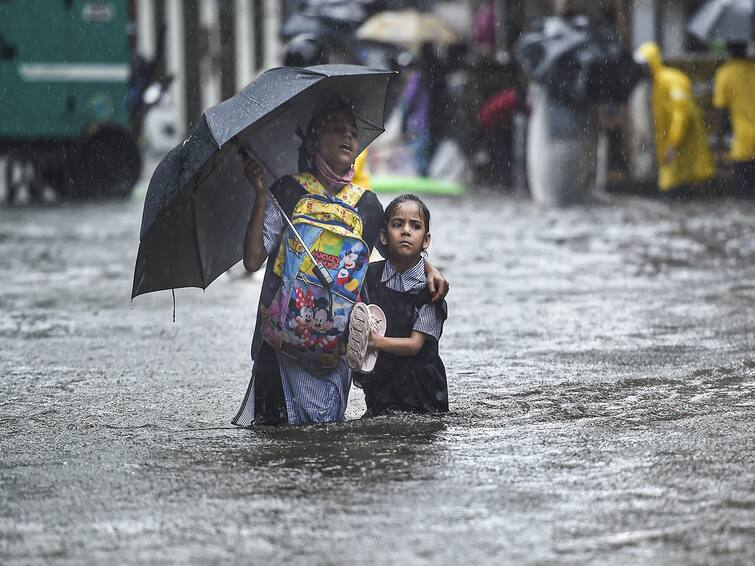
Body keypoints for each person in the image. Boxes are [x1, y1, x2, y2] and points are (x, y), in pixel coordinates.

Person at [233, 99, 448, 426]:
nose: (347, 136)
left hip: (335, 350)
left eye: (352, 131)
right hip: (281, 347)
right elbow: (252, 261)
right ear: (314, 141)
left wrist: (430, 268)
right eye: (336, 129)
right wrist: (261, 194)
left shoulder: (369, 206)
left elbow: (400, 254)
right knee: (276, 441)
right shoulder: (286, 192)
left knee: (326, 436)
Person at [350, 194, 448, 416]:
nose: (406, 231)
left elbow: (415, 345)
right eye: (397, 224)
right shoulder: (369, 277)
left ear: (426, 240)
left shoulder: (430, 289)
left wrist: (373, 341)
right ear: (383, 236)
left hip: (422, 394)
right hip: (382, 388)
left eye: (415, 226)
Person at [635, 42, 714, 200]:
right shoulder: (657, 84)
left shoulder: (670, 80)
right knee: (677, 194)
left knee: (671, 192)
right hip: (673, 153)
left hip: (681, 150)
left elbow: (681, 114)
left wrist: (673, 144)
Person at [712, 42, 755, 199]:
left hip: (743, 146)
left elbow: (720, 112)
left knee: (744, 198)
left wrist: (719, 147)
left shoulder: (725, 74)